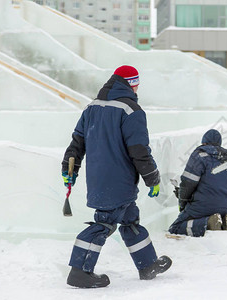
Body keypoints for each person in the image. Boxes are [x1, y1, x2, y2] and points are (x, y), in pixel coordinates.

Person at [61, 65, 172, 288]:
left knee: (130, 219)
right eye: (137, 83)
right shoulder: (131, 110)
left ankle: (147, 264)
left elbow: (77, 143)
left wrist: (69, 169)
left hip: (98, 179)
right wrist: (153, 178)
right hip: (118, 180)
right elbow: (139, 150)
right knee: (104, 224)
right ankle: (79, 271)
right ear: (132, 83)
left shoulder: (92, 107)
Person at [168, 129, 227, 237]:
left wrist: (183, 201)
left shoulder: (199, 156)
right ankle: (225, 223)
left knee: (175, 228)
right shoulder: (224, 161)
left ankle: (208, 223)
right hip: (224, 206)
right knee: (210, 214)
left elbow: (188, 183)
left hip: (202, 205)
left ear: (204, 142)